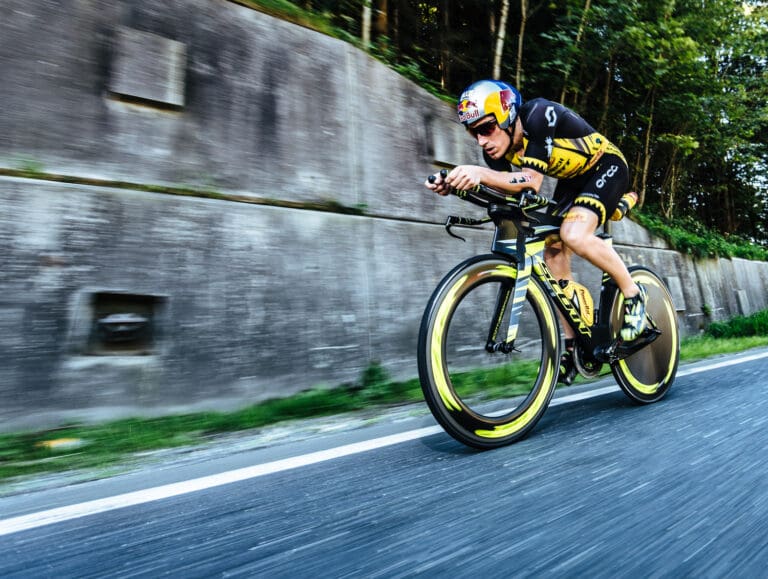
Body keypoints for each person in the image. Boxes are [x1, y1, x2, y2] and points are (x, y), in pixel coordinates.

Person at [425, 79, 647, 383]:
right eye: (473, 132)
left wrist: (479, 174)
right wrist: (455, 185)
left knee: (573, 234)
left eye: (486, 128)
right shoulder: (496, 151)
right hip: (572, 180)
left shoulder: (538, 115)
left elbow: (530, 182)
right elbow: (508, 192)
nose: (481, 141)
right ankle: (572, 344)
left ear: (506, 115)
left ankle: (634, 294)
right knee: (553, 248)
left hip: (605, 166)